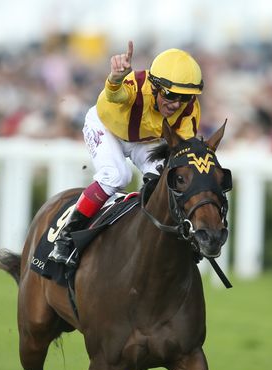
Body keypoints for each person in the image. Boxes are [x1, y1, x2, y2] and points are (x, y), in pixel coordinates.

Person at [48, 41, 204, 264]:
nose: (176, 103)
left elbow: (181, 151)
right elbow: (116, 95)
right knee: (117, 176)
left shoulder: (189, 111)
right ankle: (65, 239)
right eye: (170, 94)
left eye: (185, 97)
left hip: (144, 139)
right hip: (106, 128)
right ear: (156, 86)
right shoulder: (137, 84)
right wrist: (116, 78)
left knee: (167, 178)